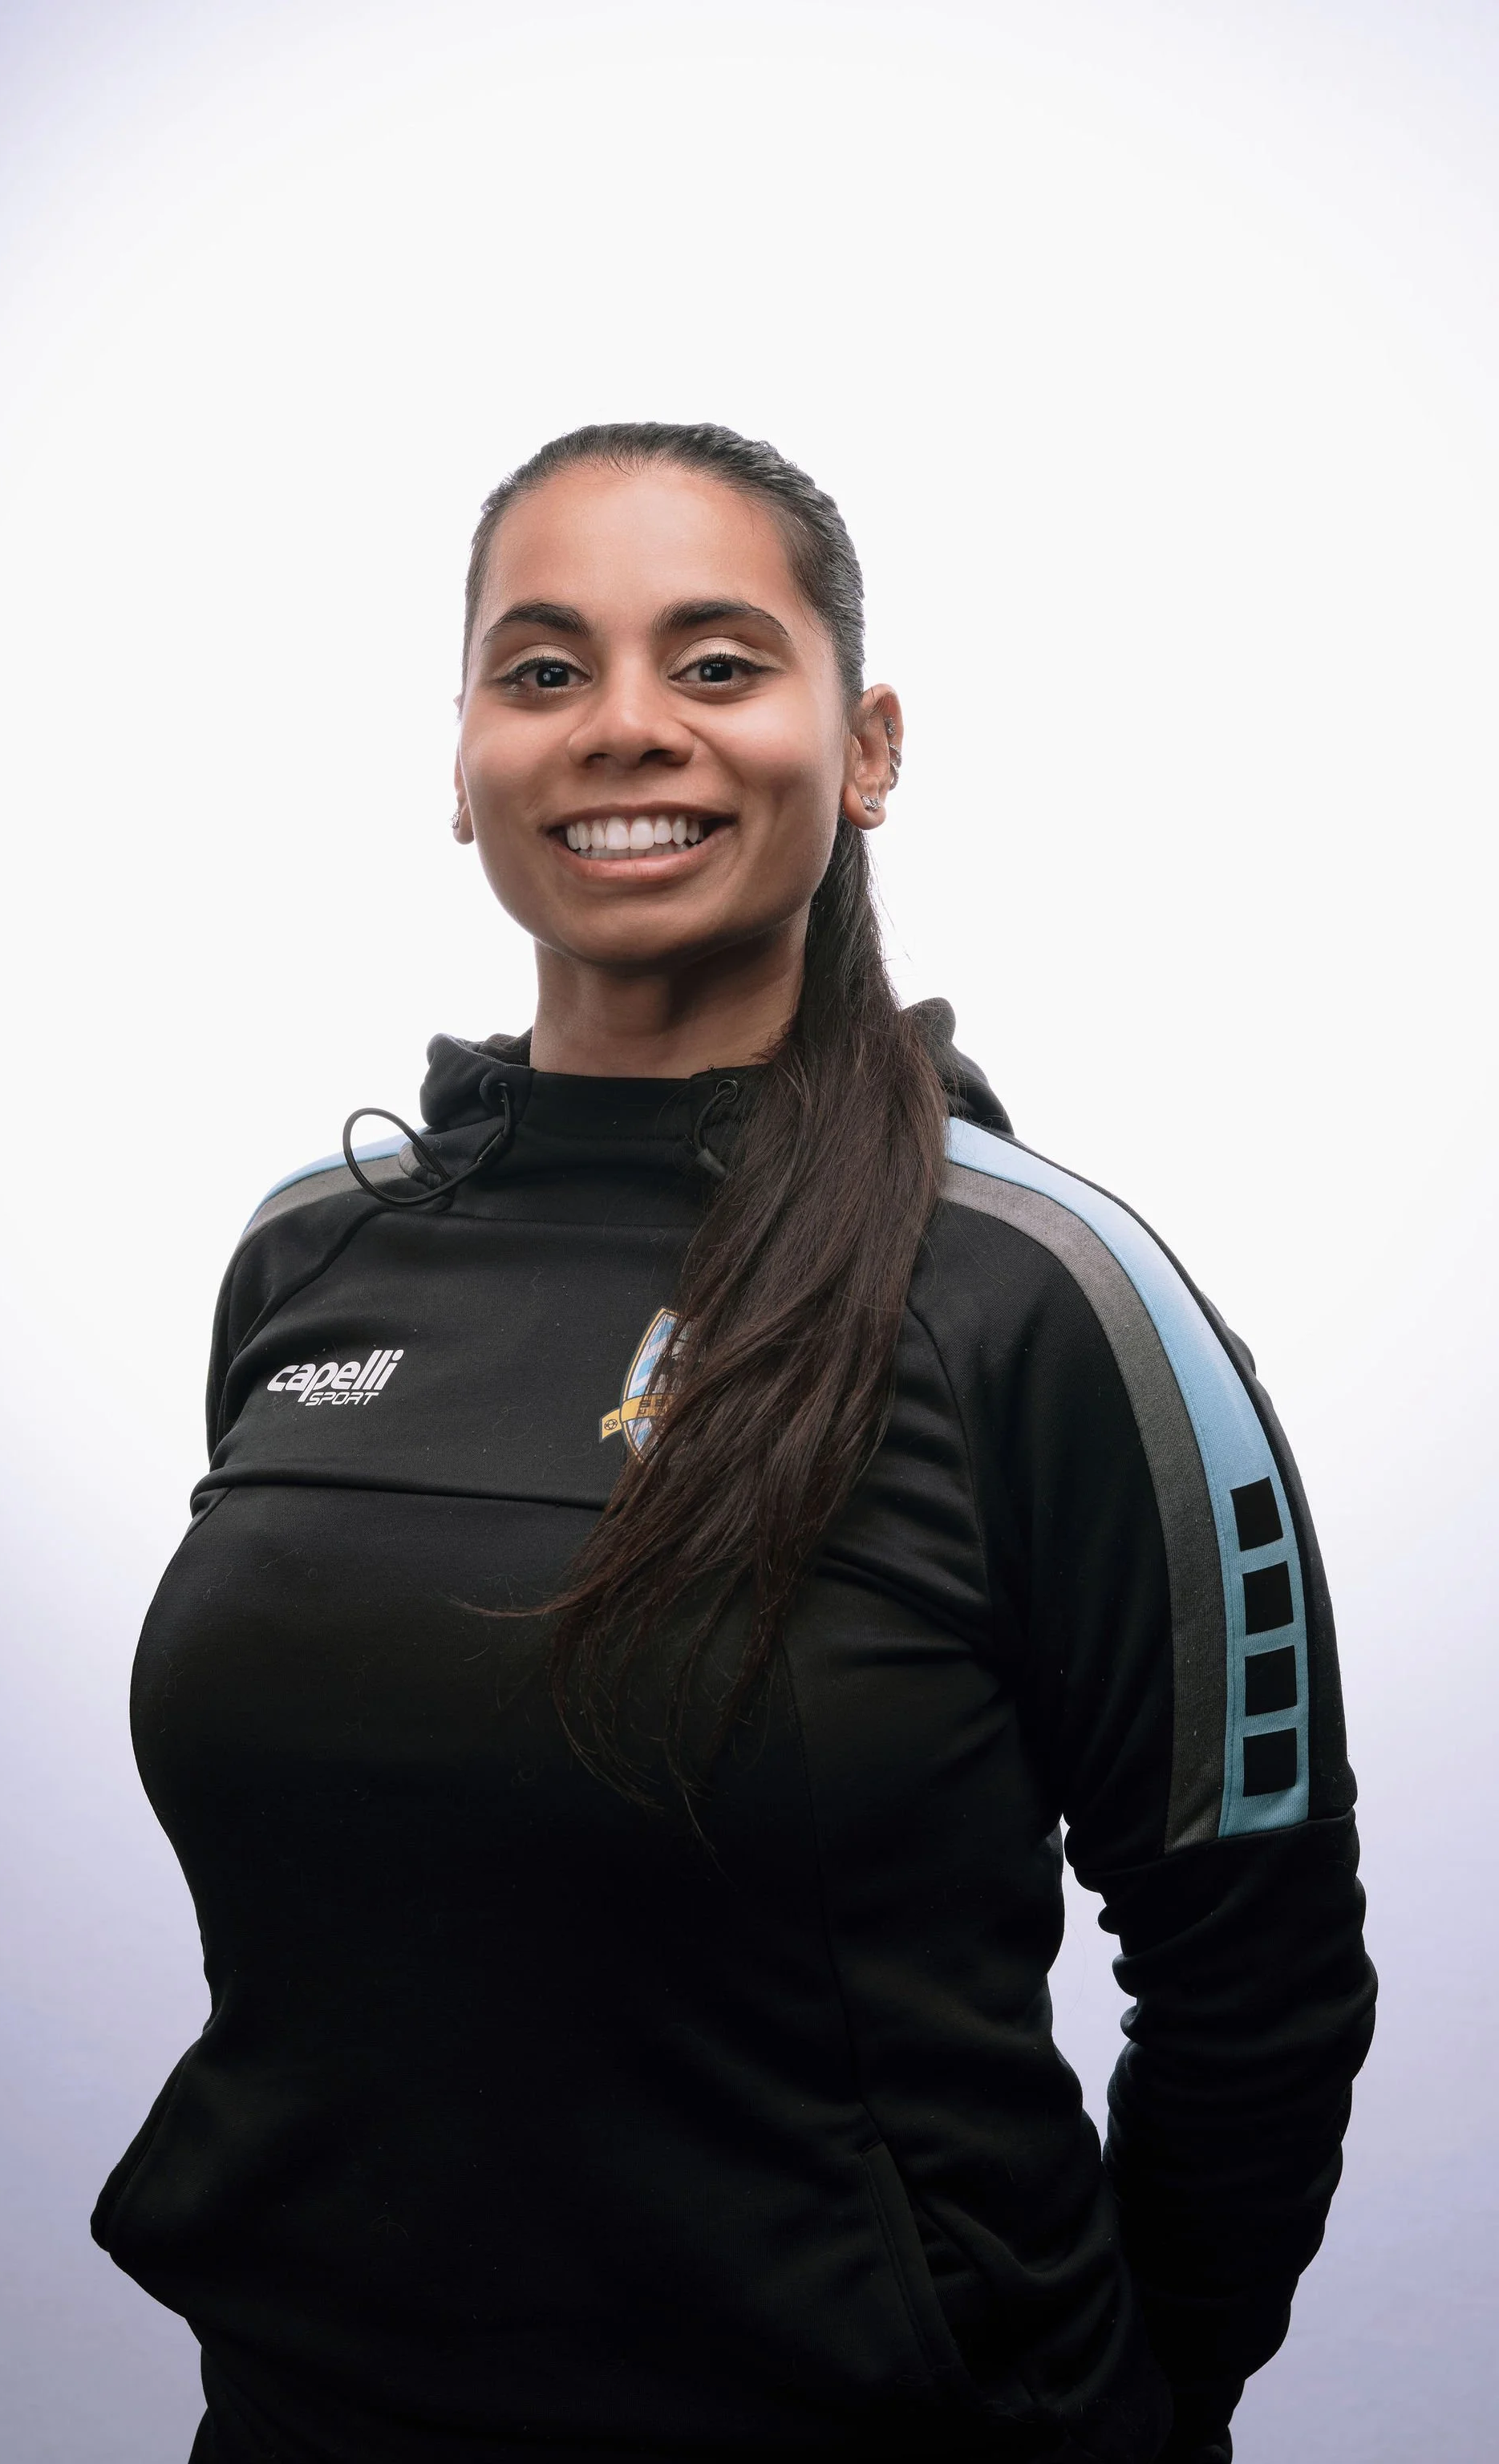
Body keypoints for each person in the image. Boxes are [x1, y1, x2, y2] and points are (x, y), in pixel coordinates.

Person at [94, 423, 1375, 2464]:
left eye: (713, 663)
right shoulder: (313, 1257)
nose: (624, 729)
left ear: (861, 747)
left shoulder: (1042, 1296)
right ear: (459, 762)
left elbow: (1258, 1974)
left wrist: (1130, 2411)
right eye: (542, 671)